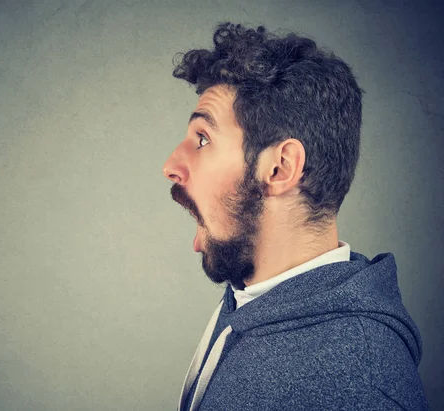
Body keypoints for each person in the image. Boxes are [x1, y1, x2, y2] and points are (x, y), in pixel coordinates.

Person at [163, 23, 429, 411]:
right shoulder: (253, 297)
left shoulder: (360, 388)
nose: (171, 165)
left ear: (280, 168)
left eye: (203, 139)